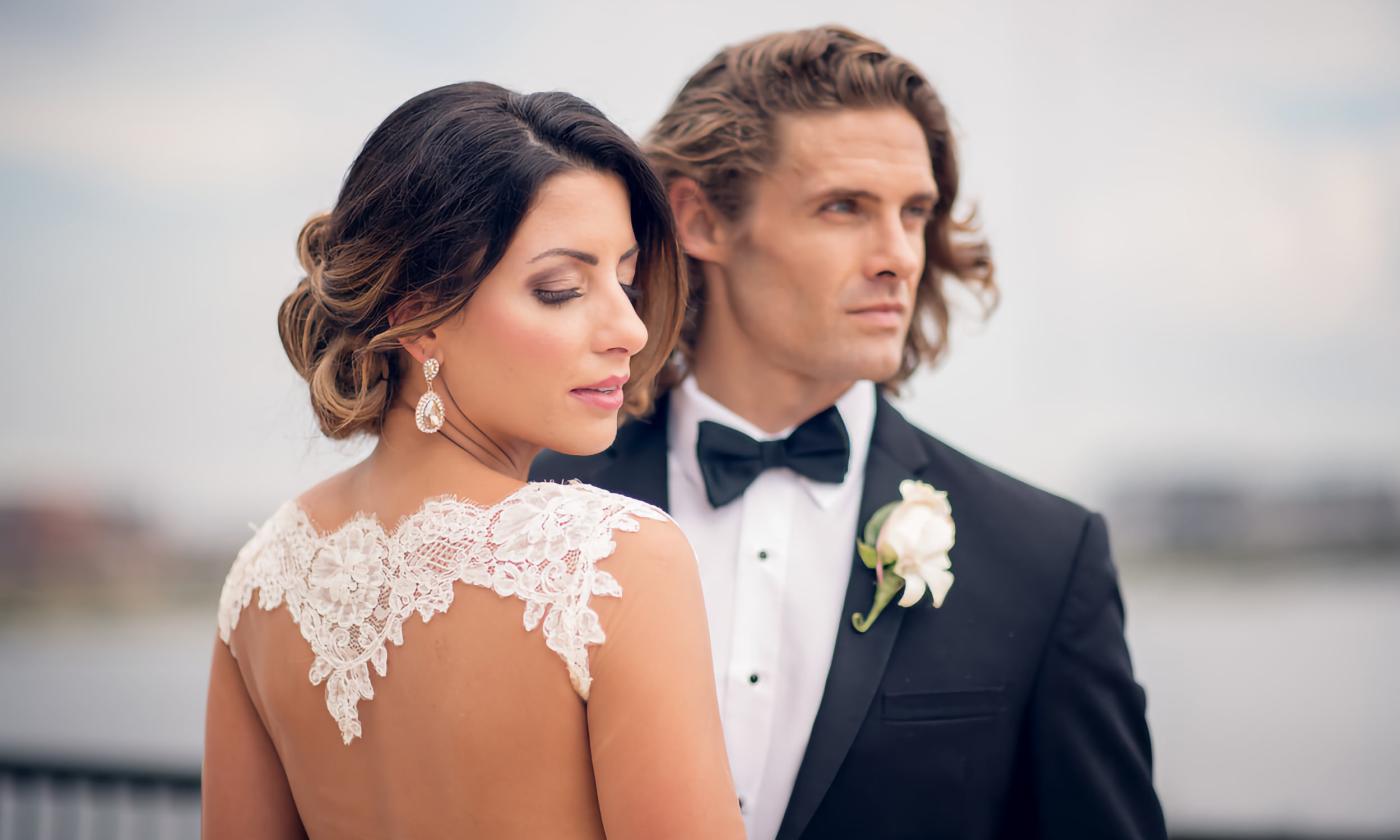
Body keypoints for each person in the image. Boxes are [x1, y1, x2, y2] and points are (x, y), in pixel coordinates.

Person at [533, 26, 1167, 840]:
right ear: (700, 219)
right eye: (844, 208)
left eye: (915, 213)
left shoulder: (1046, 558)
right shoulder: (531, 511)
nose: (899, 255)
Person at [203, 82, 744, 839]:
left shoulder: (260, 581)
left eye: (624, 279)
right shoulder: (617, 563)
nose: (630, 327)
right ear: (419, 320)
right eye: (561, 289)